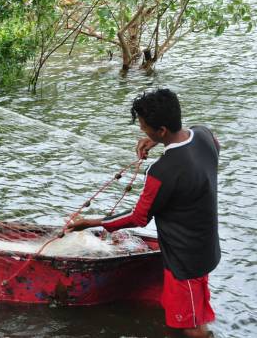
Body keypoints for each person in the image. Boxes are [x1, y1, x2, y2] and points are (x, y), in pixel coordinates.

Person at [66, 88, 220, 338]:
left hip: (185, 260)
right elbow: (206, 141)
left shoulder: (162, 171)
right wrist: (161, 141)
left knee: (190, 325)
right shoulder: (203, 136)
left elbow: (139, 217)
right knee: (190, 313)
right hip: (205, 243)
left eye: (145, 127)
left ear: (161, 130)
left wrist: (90, 223)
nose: (141, 130)